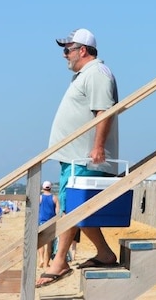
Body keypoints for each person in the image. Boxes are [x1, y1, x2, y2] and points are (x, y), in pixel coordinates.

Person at [37, 28, 120, 287]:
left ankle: (60, 260)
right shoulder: (86, 74)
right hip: (75, 158)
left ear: (82, 50)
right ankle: (104, 254)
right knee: (77, 209)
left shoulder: (96, 73)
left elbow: (103, 113)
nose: (65, 56)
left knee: (73, 208)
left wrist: (98, 148)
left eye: (67, 50)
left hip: (85, 159)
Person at [37, 181, 59, 268]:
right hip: (51, 222)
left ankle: (41, 259)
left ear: (43, 188)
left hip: (41, 221)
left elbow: (36, 210)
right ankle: (46, 263)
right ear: (50, 188)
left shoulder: (40, 198)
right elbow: (57, 212)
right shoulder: (54, 198)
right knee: (49, 244)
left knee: (40, 243)